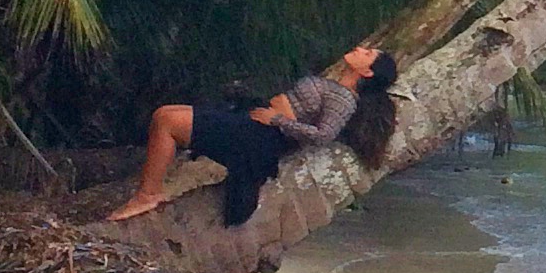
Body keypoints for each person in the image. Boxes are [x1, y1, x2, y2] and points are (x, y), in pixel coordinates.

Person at [108, 43, 400, 224]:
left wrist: (277, 120)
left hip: (259, 138)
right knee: (167, 113)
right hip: (252, 127)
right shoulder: (336, 87)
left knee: (166, 120)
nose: (361, 48)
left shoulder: (344, 99)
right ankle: (149, 191)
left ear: (368, 73)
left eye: (368, 53)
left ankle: (148, 194)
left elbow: (323, 134)